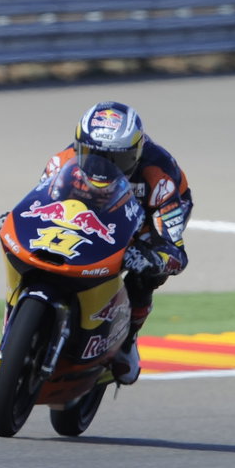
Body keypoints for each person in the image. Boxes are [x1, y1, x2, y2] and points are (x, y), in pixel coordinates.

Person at [40, 101, 193, 385]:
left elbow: (175, 253)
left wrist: (152, 258)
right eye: (94, 156)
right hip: (92, 212)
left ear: (136, 152)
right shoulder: (62, 161)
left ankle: (127, 343)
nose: (103, 168)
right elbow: (40, 203)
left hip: (145, 223)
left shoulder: (161, 177)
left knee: (145, 277)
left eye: (116, 160)